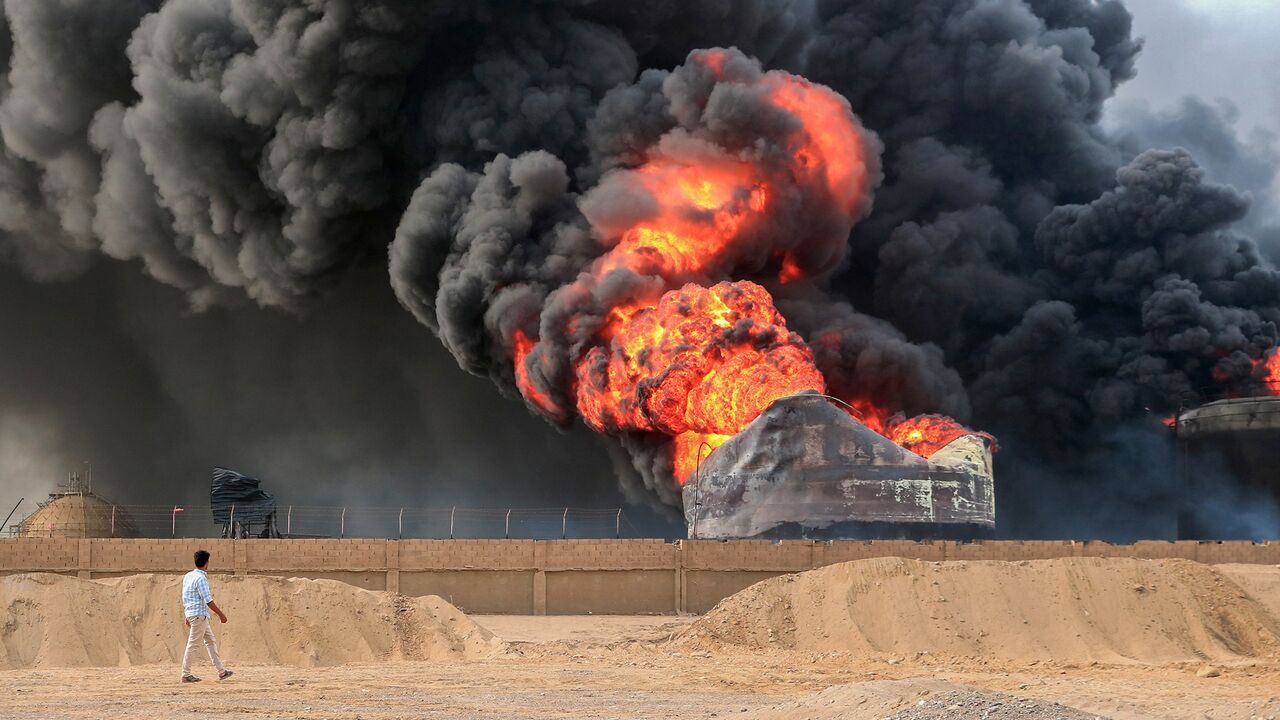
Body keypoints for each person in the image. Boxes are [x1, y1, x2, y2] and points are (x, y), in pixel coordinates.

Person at [180, 549, 233, 683]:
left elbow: (186, 597)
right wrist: (221, 615)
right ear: (206, 563)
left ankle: (221, 672)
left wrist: (187, 615)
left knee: (210, 641)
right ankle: (185, 674)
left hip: (195, 614)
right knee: (192, 645)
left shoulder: (188, 576)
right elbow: (208, 600)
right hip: (199, 615)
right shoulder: (201, 578)